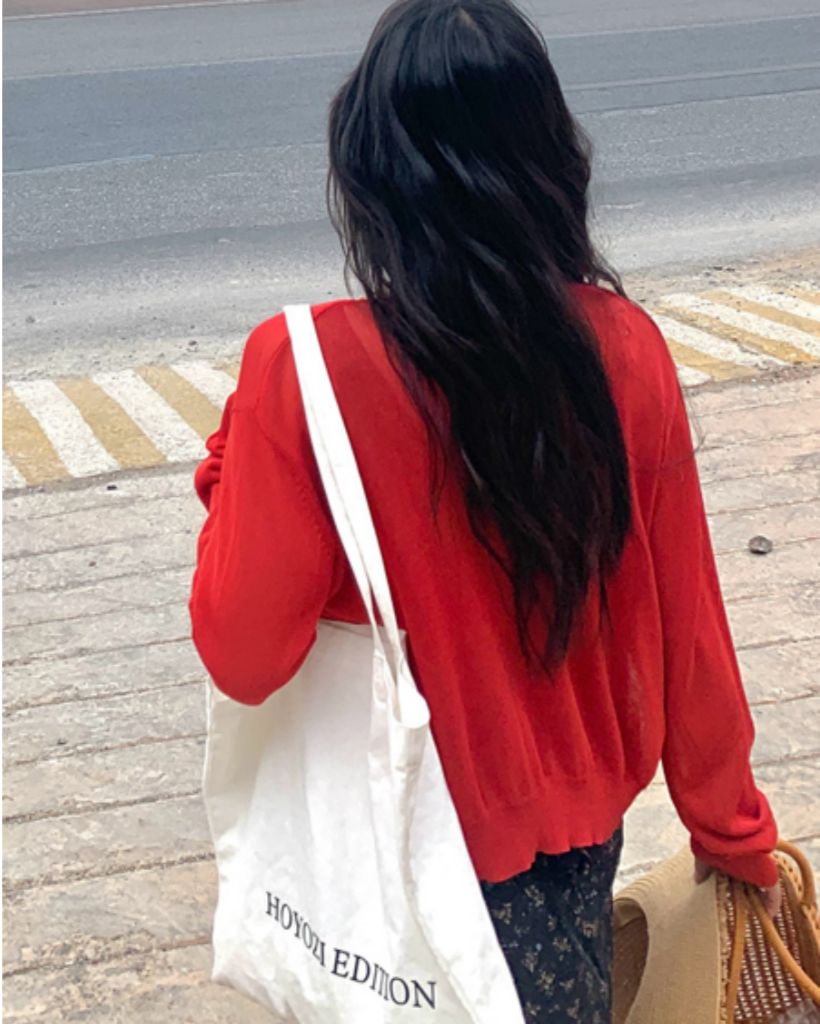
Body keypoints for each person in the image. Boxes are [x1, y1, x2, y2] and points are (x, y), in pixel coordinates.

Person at [190, 1, 780, 1020]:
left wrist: (231, 473)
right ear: (553, 163)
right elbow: (687, 625)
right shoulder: (623, 349)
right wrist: (731, 830)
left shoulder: (303, 371)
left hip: (395, 844)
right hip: (573, 854)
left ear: (370, 173)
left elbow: (243, 654)